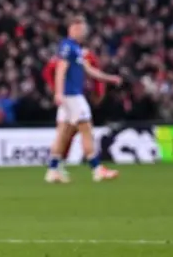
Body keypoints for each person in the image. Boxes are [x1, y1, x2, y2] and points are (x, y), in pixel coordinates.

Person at [46, 15, 122, 184]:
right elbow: (60, 69)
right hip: (71, 95)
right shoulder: (67, 46)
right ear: (71, 29)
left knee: (63, 133)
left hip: (69, 96)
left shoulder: (76, 49)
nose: (82, 31)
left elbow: (89, 70)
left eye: (83, 29)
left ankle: (52, 170)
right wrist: (58, 93)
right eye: (79, 28)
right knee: (86, 128)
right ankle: (97, 169)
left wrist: (110, 79)